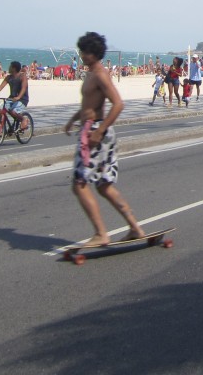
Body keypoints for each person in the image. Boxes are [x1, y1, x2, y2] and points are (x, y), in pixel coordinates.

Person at [64, 32, 145, 245]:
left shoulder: (100, 74)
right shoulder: (91, 73)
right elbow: (89, 104)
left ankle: (101, 234)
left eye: (84, 51)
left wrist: (99, 132)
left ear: (93, 53)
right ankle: (136, 228)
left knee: (80, 184)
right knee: (103, 185)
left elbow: (118, 104)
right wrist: (74, 119)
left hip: (96, 133)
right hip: (93, 129)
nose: (81, 55)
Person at [0, 61, 30, 130]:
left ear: (14, 68)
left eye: (10, 67)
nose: (9, 68)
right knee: (0, 110)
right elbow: (0, 87)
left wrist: (19, 97)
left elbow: (24, 88)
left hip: (22, 99)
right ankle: (3, 129)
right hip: (11, 99)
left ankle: (23, 119)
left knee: (13, 111)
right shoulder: (9, 77)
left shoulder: (22, 76)